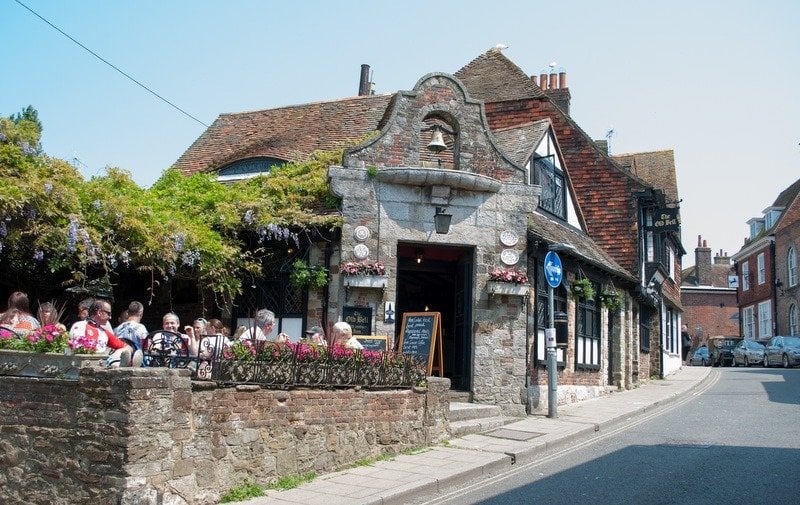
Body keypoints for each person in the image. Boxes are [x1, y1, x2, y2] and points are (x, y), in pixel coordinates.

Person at [69, 299, 133, 367]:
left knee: (125, 350)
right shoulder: (80, 326)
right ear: (99, 312)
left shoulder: (104, 332)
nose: (110, 317)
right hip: (82, 366)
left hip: (101, 366)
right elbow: (77, 348)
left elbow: (127, 347)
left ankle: (116, 363)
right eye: (108, 313)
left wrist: (119, 353)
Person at [114, 301, 148, 366]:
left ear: (128, 313)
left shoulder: (117, 328)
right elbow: (145, 347)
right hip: (135, 355)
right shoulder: (141, 328)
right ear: (140, 314)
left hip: (119, 354)